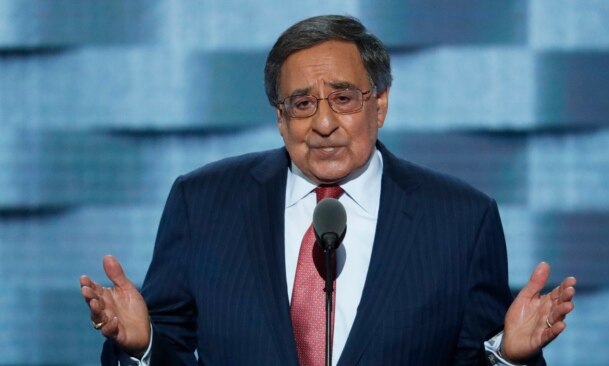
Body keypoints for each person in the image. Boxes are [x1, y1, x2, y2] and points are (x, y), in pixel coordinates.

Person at [80, 15, 576, 365]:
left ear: (379, 106)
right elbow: (169, 345)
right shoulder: (203, 203)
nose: (322, 123)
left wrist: (508, 358)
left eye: (342, 98)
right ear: (279, 118)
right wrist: (141, 346)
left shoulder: (463, 220)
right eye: (301, 103)